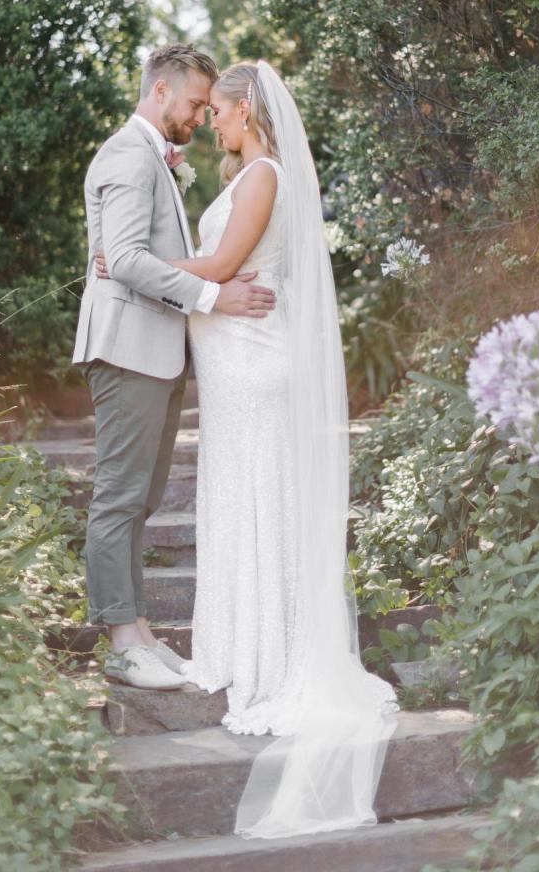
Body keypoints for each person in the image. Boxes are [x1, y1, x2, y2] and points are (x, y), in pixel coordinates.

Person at [95, 59, 397, 837]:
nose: (212, 124)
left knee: (256, 499)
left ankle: (269, 656)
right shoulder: (250, 172)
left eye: (219, 112)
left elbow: (226, 269)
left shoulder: (261, 175)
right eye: (204, 111)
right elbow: (218, 271)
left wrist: (130, 273)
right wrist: (153, 274)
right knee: (238, 497)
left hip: (254, 367)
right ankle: (242, 643)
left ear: (247, 110)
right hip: (234, 369)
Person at [72, 44, 276, 692]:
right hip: (127, 347)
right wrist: (216, 296)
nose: (196, 116)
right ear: (160, 91)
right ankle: (120, 638)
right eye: (191, 103)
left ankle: (138, 632)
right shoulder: (128, 154)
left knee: (142, 499)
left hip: (153, 350)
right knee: (119, 497)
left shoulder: (154, 157)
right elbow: (125, 259)